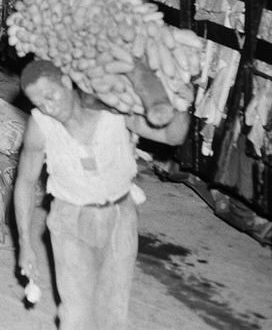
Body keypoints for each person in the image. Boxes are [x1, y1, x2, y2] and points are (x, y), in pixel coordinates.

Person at [13, 59, 188, 330]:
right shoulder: (40, 126)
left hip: (119, 217)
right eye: (38, 102)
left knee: (113, 311)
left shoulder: (113, 110)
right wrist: (24, 242)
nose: (47, 106)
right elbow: (25, 182)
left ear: (67, 82)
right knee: (76, 315)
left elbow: (173, 136)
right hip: (69, 220)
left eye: (50, 95)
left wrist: (178, 103)